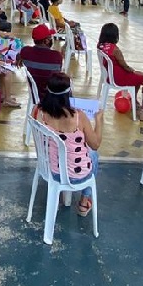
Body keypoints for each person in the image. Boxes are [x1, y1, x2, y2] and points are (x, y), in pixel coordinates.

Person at [35, 71, 101, 217]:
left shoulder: (40, 113)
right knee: (94, 154)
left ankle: (57, 198)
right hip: (78, 174)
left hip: (51, 170)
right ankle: (84, 201)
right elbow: (95, 144)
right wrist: (99, 121)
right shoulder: (78, 116)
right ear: (68, 93)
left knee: (56, 148)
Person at [97, 22, 143, 115]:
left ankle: (134, 101)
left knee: (138, 77)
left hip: (110, 76)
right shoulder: (115, 50)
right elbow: (125, 66)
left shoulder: (100, 46)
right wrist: (133, 71)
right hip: (119, 78)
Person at [16, 23, 64, 90]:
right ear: (46, 41)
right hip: (50, 93)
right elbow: (57, 74)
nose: (51, 39)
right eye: (50, 37)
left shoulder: (25, 51)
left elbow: (18, 59)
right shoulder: (56, 55)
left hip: (34, 91)